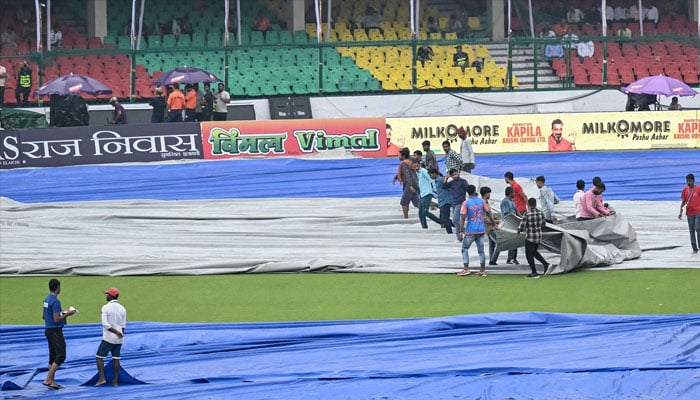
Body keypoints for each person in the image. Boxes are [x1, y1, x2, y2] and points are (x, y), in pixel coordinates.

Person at [42, 278, 77, 390]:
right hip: (55, 331)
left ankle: (52, 381)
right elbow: (56, 319)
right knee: (61, 355)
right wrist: (68, 314)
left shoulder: (46, 300)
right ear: (58, 288)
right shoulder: (56, 301)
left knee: (52, 356)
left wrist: (62, 312)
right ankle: (48, 379)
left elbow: (44, 316)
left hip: (48, 329)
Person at [457, 185, 492, 277]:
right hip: (481, 229)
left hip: (470, 230)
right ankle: (482, 270)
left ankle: (466, 268)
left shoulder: (466, 203)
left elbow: (462, 218)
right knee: (481, 251)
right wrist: (493, 223)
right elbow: (488, 213)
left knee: (464, 248)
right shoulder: (481, 201)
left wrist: (461, 231)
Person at [95, 287, 127, 387]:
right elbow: (123, 326)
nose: (106, 296)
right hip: (119, 339)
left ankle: (102, 378)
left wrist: (116, 332)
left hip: (109, 337)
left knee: (99, 357)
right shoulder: (122, 308)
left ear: (111, 296)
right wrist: (120, 335)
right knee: (116, 358)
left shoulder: (105, 308)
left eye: (107, 294)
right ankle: (115, 381)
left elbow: (106, 325)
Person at [518, 198, 551, 278]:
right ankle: (545, 264)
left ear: (528, 205)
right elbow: (543, 224)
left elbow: (522, 225)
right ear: (535, 204)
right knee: (534, 252)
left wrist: (519, 230)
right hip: (538, 236)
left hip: (530, 237)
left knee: (529, 255)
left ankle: (534, 272)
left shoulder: (527, 213)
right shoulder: (540, 213)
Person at [443, 167, 469, 240]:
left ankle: (462, 233)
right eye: (453, 175)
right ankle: (461, 234)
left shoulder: (463, 181)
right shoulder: (452, 183)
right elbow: (444, 186)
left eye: (456, 174)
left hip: (460, 203)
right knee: (456, 220)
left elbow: (468, 189)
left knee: (455, 220)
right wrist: (446, 178)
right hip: (454, 203)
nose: (455, 176)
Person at [678, 173, 700, 254]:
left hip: (698, 212)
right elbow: (683, 201)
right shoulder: (685, 190)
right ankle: (694, 248)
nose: (688, 183)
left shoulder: (698, 189)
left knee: (698, 228)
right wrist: (680, 211)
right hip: (689, 213)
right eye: (687, 181)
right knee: (691, 231)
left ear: (693, 181)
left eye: (690, 181)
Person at [480, 186, 500, 266]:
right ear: (485, 194)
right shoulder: (482, 204)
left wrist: (496, 218)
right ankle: (493, 260)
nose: (490, 195)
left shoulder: (486, 203)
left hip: (490, 227)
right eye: (489, 193)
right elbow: (484, 218)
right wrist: (496, 221)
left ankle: (492, 260)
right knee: (499, 244)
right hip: (489, 227)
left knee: (492, 245)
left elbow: (490, 214)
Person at [499, 186, 520, 264]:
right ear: (510, 193)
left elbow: (516, 211)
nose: (514, 194)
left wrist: (521, 219)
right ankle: (510, 258)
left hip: (514, 223)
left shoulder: (512, 201)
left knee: (516, 240)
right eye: (513, 192)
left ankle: (514, 257)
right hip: (509, 223)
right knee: (512, 241)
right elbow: (507, 214)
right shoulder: (505, 202)